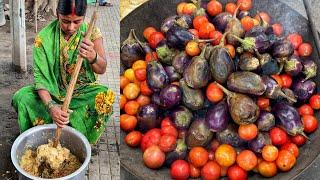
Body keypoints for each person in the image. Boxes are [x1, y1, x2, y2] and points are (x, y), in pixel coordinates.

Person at [12, 0, 115, 144]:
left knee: (105, 96)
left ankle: (77, 135)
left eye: (77, 21)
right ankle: (51, 126)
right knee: (22, 97)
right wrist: (51, 107)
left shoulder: (92, 34)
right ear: (57, 14)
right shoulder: (43, 38)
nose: (71, 27)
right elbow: (41, 79)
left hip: (81, 93)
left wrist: (93, 56)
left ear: (84, 16)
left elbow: (102, 68)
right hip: (51, 93)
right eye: (65, 21)